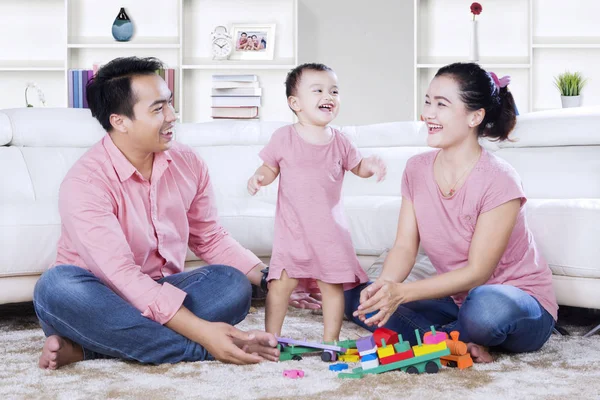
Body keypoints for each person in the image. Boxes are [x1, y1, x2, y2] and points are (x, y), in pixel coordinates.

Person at [33, 56, 290, 370]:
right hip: (98, 298)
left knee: (232, 284)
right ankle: (209, 348)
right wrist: (206, 335)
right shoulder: (85, 183)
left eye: (170, 103)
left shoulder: (187, 162)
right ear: (120, 121)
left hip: (161, 291)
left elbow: (209, 238)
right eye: (158, 109)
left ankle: (91, 350)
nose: (172, 116)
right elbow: (124, 277)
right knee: (56, 287)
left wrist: (270, 279)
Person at [347, 62, 557, 363]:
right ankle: (454, 341)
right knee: (359, 299)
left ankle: (449, 335)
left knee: (485, 310)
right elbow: (405, 246)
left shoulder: (500, 179)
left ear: (475, 116)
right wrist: (385, 287)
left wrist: (403, 294)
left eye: (441, 105)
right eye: (428, 102)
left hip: (515, 300)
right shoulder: (416, 169)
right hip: (458, 301)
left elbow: (478, 273)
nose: (428, 114)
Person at [247, 63, 387, 342]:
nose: (329, 96)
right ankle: (271, 337)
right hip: (293, 232)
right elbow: (270, 167)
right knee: (279, 285)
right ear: (295, 103)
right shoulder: (284, 137)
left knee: (332, 285)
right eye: (319, 90)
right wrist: (258, 177)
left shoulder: (341, 141)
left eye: (334, 91)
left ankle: (330, 340)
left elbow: (358, 166)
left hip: (330, 233)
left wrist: (370, 165)